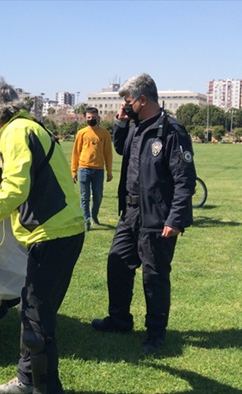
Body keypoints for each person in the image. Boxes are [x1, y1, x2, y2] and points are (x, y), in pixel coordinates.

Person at [0, 79, 85, 394]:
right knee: (33, 310)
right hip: (59, 232)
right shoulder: (28, 127)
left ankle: (45, 388)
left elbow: (16, 188)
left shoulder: (17, 133)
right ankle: (26, 380)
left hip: (53, 234)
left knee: (37, 320)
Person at [91, 73, 196, 354]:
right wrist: (119, 123)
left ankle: (156, 334)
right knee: (118, 262)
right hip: (131, 212)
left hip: (157, 216)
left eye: (128, 101)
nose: (125, 105)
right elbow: (121, 148)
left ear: (142, 99)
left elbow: (185, 180)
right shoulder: (137, 128)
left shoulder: (171, 131)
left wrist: (175, 219)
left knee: (154, 275)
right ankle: (120, 319)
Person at [71, 106, 113, 231]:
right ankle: (86, 220)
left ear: (98, 118)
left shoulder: (104, 134)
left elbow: (108, 154)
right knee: (84, 196)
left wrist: (109, 172)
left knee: (98, 196)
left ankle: (94, 214)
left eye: (93, 118)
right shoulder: (81, 133)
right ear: (85, 118)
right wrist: (74, 170)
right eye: (88, 118)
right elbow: (76, 152)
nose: (91, 119)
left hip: (98, 170)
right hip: (84, 169)